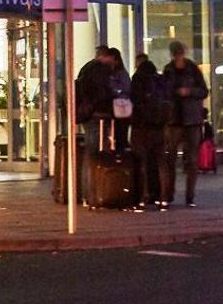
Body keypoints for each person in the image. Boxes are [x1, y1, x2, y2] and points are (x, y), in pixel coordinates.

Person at [163, 41, 209, 207]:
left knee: (191, 159)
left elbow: (204, 91)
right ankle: (169, 194)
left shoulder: (192, 69)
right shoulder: (168, 70)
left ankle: (190, 196)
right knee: (171, 159)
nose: (178, 56)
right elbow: (165, 92)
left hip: (191, 120)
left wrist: (189, 92)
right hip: (175, 120)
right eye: (176, 53)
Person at [129, 55, 174, 210]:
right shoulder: (159, 80)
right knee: (162, 163)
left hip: (141, 127)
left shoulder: (137, 78)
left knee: (141, 162)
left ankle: (142, 197)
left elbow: (132, 100)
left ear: (138, 64)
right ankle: (164, 199)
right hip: (159, 127)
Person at [75, 43, 121, 155]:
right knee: (98, 148)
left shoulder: (87, 68)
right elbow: (103, 92)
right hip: (98, 113)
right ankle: (97, 171)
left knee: (92, 146)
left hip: (89, 113)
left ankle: (91, 171)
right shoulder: (102, 70)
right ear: (106, 56)